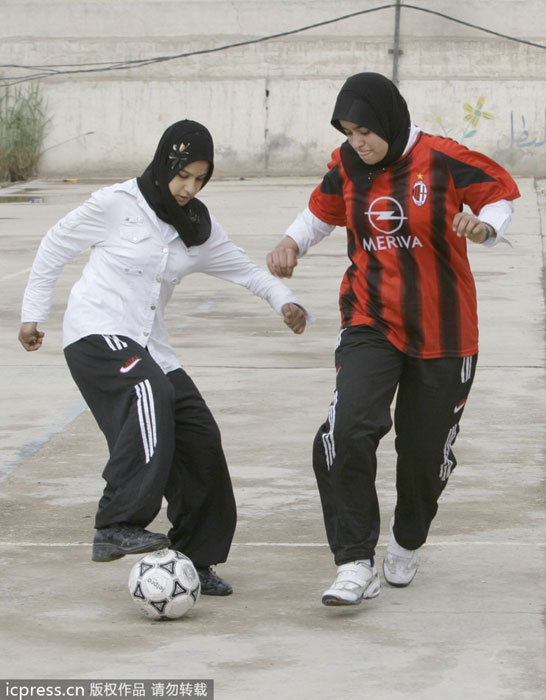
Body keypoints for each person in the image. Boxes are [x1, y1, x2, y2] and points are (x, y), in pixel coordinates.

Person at [19, 119, 308, 596]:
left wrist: (285, 301)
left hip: (149, 347)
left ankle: (195, 558)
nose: (188, 188)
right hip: (96, 332)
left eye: (200, 179)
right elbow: (54, 246)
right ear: (163, 164)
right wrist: (33, 315)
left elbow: (246, 270)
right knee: (147, 391)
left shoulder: (196, 227)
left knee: (200, 436)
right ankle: (116, 522)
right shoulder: (117, 204)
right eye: (182, 175)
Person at [266, 72, 520, 606]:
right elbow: (320, 213)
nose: (357, 142)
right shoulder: (348, 165)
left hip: (445, 333)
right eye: (348, 132)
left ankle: (407, 540)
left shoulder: (442, 158)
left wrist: (485, 227)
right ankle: (355, 561)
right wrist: (291, 242)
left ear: (389, 120)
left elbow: (500, 194)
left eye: (365, 131)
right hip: (371, 320)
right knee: (346, 430)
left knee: (424, 456)